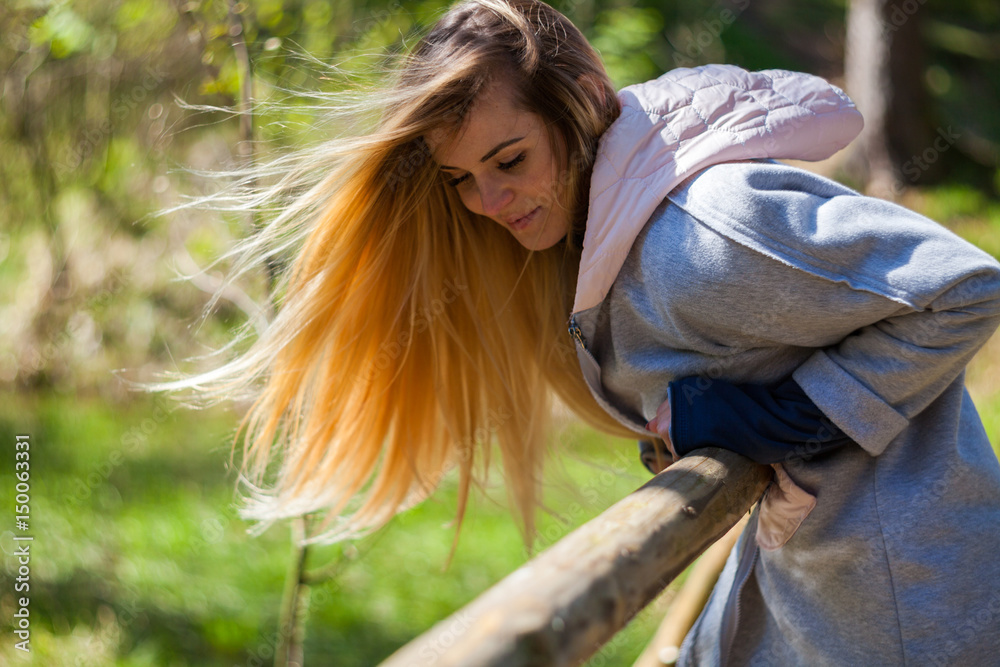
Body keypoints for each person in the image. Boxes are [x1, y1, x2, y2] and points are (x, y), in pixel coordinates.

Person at [171, 0, 1000, 663]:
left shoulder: (702, 229)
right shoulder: (606, 248)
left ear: (577, 108)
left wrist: (810, 411)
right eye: (461, 178)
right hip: (826, 590)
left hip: (914, 614)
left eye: (509, 159)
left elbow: (964, 286)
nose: (490, 204)